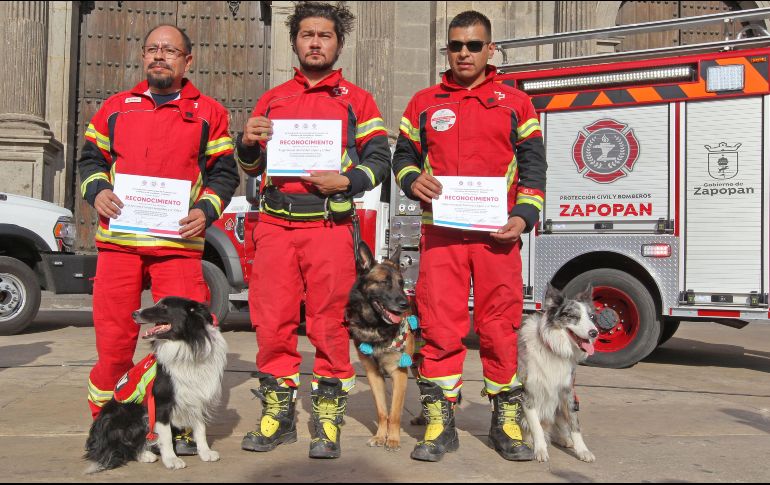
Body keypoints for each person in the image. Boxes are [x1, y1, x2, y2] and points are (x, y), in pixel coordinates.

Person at [234, 2, 390, 459]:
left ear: (339, 43)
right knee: (272, 322)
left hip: (328, 225)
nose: (316, 42)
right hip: (276, 227)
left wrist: (348, 180)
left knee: (329, 323)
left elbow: (378, 160)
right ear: (295, 42)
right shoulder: (272, 99)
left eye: (325, 35)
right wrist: (247, 142)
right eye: (307, 35)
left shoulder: (358, 100)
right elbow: (251, 165)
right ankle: (278, 415)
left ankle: (327, 417)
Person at [391, 10, 547, 462]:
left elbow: (534, 166)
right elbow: (404, 155)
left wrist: (524, 216)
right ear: (447, 49)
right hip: (440, 236)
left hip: (498, 238)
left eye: (474, 45)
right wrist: (409, 179)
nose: (464, 53)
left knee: (500, 329)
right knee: (440, 327)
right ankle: (441, 421)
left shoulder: (516, 103)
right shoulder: (423, 102)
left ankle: (506, 420)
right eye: (456, 45)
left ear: (490, 49)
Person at [77, 24, 239, 454]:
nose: (159, 56)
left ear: (189, 60)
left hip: (177, 249)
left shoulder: (210, 112)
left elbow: (224, 172)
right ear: (143, 56)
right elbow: (90, 159)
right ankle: (111, 428)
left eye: (170, 50)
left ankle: (178, 425)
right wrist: (98, 190)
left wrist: (204, 211)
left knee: (187, 345)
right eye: (152, 49)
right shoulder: (114, 108)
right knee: (113, 344)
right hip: (119, 245)